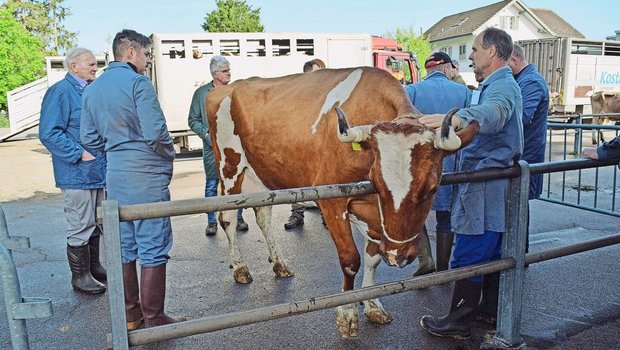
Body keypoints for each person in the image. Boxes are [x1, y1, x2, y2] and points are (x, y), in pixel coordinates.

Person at [417, 27, 523, 339]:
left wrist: (458, 118)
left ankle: (459, 320)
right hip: (489, 181)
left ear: (492, 53)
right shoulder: (495, 84)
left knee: (471, 251)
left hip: (486, 184)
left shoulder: (502, 87)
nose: (471, 57)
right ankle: (488, 313)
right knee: (489, 252)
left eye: (475, 50)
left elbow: (495, 113)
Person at [81, 29, 185, 329]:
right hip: (146, 172)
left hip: (115, 174)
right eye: (146, 53)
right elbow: (155, 133)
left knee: (125, 244)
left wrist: (115, 149)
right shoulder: (138, 84)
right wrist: (167, 155)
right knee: (153, 243)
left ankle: (132, 316)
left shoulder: (92, 89)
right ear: (130, 52)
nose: (148, 60)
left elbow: (89, 138)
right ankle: (155, 317)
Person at [39, 47, 107, 295]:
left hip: (97, 172)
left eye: (95, 62)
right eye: (90, 63)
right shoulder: (60, 92)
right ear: (73, 66)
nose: (95, 66)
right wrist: (79, 153)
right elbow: (49, 133)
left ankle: (95, 267)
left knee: (96, 222)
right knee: (80, 224)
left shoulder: (89, 90)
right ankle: (80, 277)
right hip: (76, 173)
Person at [404, 52, 471, 275]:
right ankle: (443, 268)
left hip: (420, 164)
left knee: (416, 210)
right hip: (451, 161)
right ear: (445, 69)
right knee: (446, 217)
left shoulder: (412, 90)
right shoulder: (463, 92)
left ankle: (426, 260)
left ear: (429, 70)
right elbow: (471, 125)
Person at [188, 55, 249, 236]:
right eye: (225, 71)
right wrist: (208, 136)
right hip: (212, 149)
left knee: (237, 184)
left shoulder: (234, 91)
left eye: (229, 70)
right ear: (215, 74)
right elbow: (193, 120)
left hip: (235, 148)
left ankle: (238, 218)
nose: (229, 73)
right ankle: (211, 222)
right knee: (212, 185)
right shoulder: (201, 94)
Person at [508, 43, 549, 253]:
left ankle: (518, 256)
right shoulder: (522, 79)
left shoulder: (531, 81)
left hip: (526, 156)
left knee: (519, 205)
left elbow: (520, 117)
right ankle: (516, 254)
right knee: (516, 205)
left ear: (514, 60)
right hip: (523, 154)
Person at [283, 58, 326, 229]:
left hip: (321, 145)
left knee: (323, 181)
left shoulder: (326, 94)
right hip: (300, 145)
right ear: (306, 74)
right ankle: (297, 214)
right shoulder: (297, 95)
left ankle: (326, 215)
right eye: (318, 73)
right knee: (298, 181)